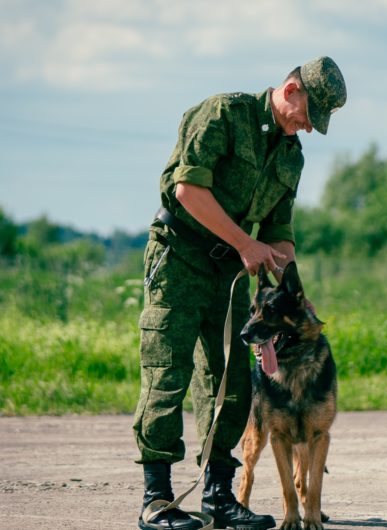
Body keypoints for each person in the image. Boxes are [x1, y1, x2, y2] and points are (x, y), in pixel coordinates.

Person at [132, 57, 347, 530]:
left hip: (228, 272)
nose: (309, 129)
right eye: (310, 116)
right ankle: (157, 500)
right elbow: (188, 190)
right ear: (292, 89)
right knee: (168, 373)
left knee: (231, 383)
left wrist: (296, 294)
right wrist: (245, 243)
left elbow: (279, 231)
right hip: (179, 259)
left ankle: (219, 498)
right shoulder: (223, 115)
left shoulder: (291, 155)